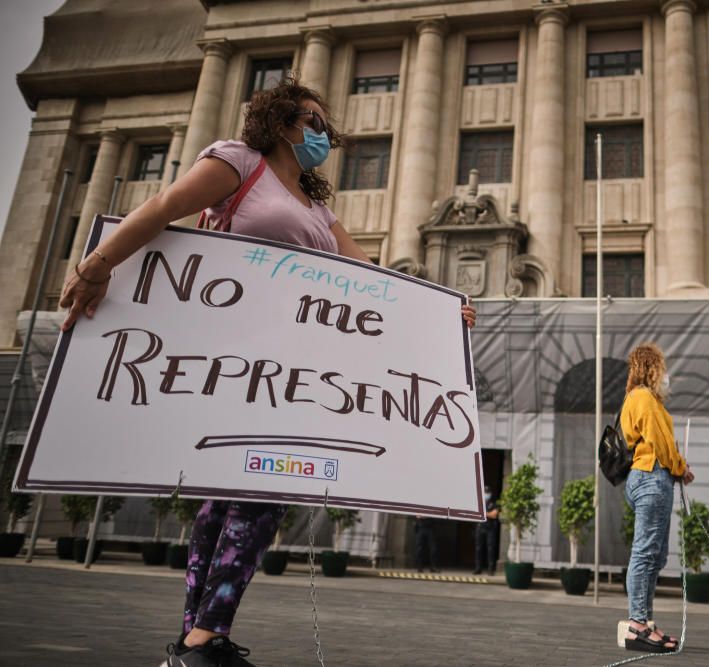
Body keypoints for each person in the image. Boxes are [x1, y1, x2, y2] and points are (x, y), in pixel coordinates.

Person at [58, 78, 476, 667]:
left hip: (291, 376)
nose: (322, 136)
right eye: (313, 122)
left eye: (326, 128)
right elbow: (159, 209)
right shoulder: (238, 163)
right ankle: (205, 639)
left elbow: (375, 280)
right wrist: (97, 265)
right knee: (253, 490)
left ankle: (194, 644)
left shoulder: (315, 207)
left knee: (240, 495)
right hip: (230, 364)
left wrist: (438, 305)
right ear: (281, 122)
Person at [619, 343, 694, 654]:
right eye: (662, 367)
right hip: (651, 475)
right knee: (645, 552)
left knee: (654, 555)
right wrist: (681, 467)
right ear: (652, 368)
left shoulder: (639, 398)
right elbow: (660, 443)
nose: (666, 375)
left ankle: (645, 621)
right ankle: (637, 623)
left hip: (648, 477)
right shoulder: (643, 397)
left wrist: (676, 467)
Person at [474, 485, 500, 575]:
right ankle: (478, 568)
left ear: (490, 493)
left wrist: (483, 513)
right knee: (478, 549)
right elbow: (476, 514)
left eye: (487, 493)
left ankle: (490, 569)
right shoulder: (479, 502)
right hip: (480, 527)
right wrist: (488, 513)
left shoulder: (494, 503)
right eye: (485, 493)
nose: (486, 494)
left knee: (490, 548)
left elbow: (494, 515)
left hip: (490, 528)